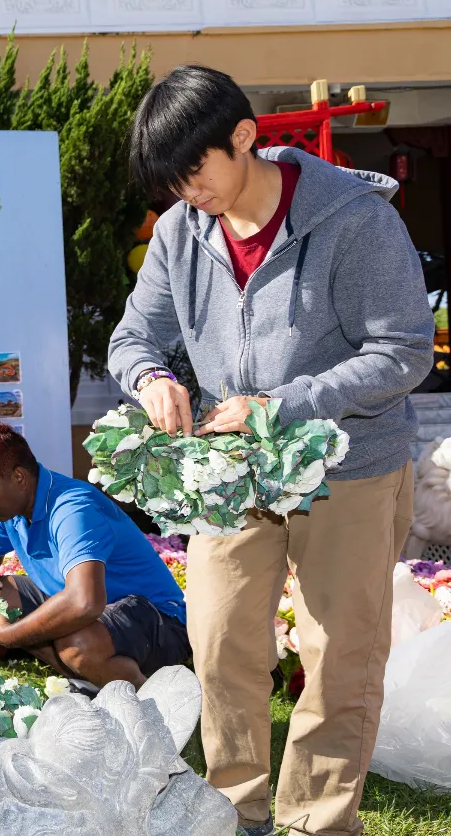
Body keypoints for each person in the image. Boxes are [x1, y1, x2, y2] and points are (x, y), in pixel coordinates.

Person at [111, 65, 432, 836]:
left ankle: (318, 822)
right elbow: (132, 339)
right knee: (219, 643)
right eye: (172, 181)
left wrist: (285, 404)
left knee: (337, 655)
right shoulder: (182, 236)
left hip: (351, 464)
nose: (190, 193)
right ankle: (236, 812)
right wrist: (151, 377)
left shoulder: (355, 221)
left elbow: (403, 351)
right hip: (232, 474)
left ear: (246, 138)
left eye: (197, 170)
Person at [0, 424, 189, 690]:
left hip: (161, 625)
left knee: (78, 644)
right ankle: (90, 679)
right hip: (101, 616)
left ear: (19, 477)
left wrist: (10, 635)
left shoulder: (73, 508)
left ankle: (148, 700)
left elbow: (84, 602)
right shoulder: (9, 506)